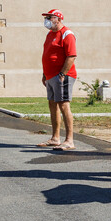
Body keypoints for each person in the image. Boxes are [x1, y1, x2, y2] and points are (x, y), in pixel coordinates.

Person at [35, 9, 77, 151]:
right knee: (53, 105)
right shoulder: (49, 35)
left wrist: (62, 74)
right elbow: (47, 55)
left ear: (58, 19)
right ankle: (55, 138)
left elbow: (71, 56)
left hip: (62, 76)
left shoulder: (67, 34)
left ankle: (69, 140)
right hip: (50, 76)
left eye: (49, 17)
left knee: (64, 105)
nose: (46, 20)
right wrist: (44, 74)